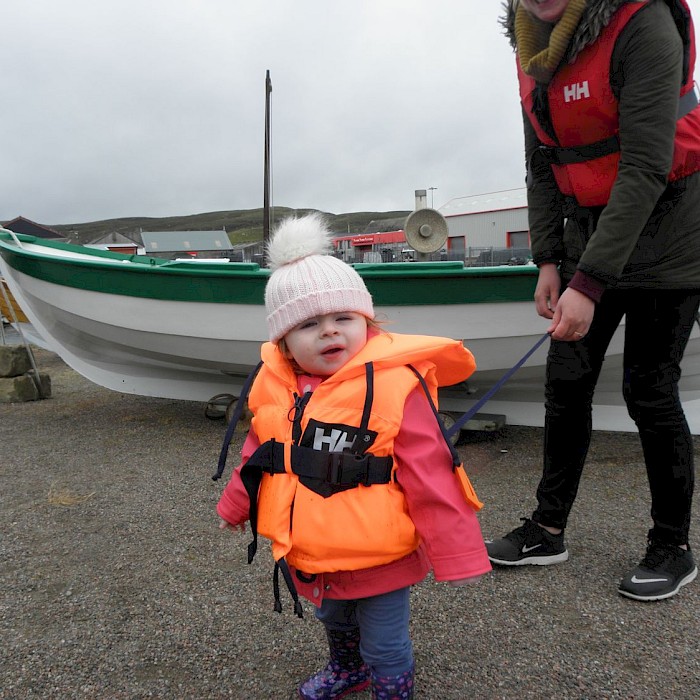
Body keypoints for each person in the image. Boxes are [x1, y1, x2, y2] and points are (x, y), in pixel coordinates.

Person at [215, 213, 491, 699]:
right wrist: (236, 505)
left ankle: (391, 687)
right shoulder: (275, 387)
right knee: (333, 620)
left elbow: (432, 474)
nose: (329, 332)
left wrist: (458, 552)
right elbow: (259, 454)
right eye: (309, 324)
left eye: (343, 318)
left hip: (381, 556)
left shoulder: (396, 388)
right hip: (314, 553)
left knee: (385, 643)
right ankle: (347, 668)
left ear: (366, 321)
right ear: (283, 340)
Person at [486, 0, 700, 601]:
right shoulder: (532, 44)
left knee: (649, 389)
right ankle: (548, 529)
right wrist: (550, 260)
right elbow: (540, 160)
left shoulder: (644, 22)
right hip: (588, 232)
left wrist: (590, 282)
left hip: (671, 234)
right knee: (567, 382)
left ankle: (672, 545)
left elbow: (645, 165)